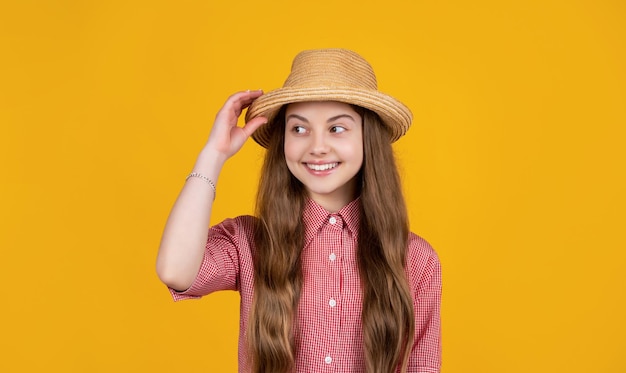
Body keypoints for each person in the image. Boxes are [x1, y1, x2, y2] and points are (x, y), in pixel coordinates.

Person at [156, 48, 441, 373]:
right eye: (299, 129)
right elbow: (175, 270)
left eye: (336, 128)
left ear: (368, 137)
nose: (317, 147)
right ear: (283, 141)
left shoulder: (418, 260)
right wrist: (213, 154)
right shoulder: (249, 243)